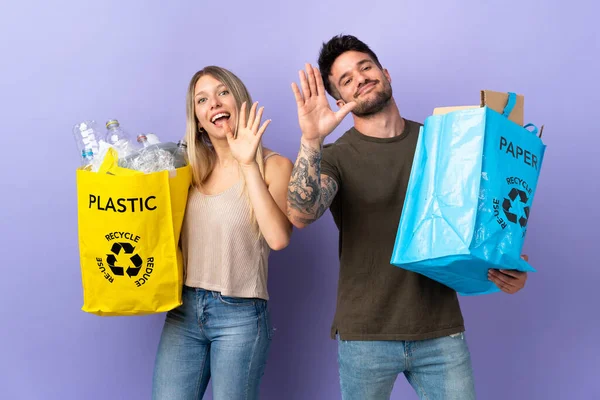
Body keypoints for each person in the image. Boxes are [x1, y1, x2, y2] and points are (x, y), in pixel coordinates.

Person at [286, 34, 529, 400]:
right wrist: (310, 141)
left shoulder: (445, 141)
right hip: (366, 336)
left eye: (365, 67)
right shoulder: (334, 157)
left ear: (385, 73)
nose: (361, 78)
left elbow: (482, 216)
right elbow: (301, 213)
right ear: (340, 101)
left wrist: (508, 263)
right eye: (347, 79)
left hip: (440, 331)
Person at [152, 66, 293, 400]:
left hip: (240, 316)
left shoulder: (275, 166)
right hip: (183, 310)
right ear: (199, 119)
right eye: (202, 99)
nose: (214, 102)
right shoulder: (187, 169)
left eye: (222, 92)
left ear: (239, 100)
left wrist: (247, 163)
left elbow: (278, 238)